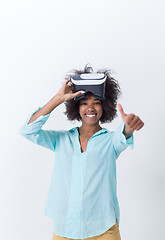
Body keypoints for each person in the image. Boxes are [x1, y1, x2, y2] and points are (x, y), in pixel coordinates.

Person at [19, 64, 144, 240]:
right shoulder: (60, 140)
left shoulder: (110, 141)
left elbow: (123, 134)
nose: (90, 108)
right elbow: (28, 131)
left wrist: (129, 126)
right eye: (84, 103)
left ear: (104, 107)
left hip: (104, 228)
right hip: (65, 229)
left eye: (96, 103)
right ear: (76, 108)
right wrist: (58, 98)